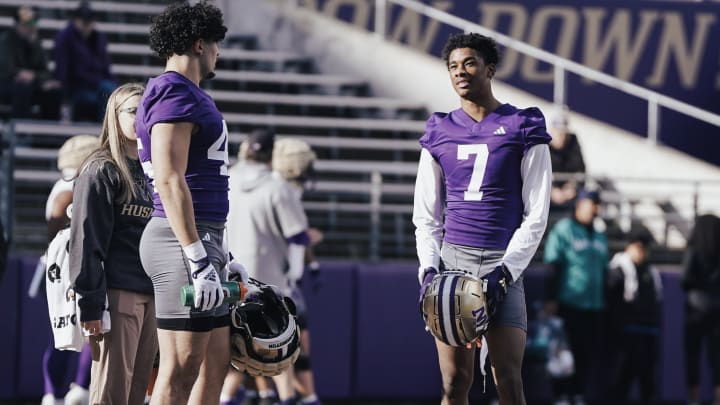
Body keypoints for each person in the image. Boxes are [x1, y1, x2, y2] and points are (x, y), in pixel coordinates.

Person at [413, 33, 552, 405]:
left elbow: (536, 214)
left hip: (501, 259)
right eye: (453, 66)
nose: (460, 72)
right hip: (452, 263)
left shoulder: (524, 124)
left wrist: (505, 272)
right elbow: (426, 216)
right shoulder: (440, 128)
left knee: (508, 379)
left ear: (490, 69)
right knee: (454, 383)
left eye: (470, 63)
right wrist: (428, 270)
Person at [135, 2, 233, 404]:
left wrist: (222, 250)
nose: (217, 53)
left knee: (216, 362)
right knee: (180, 368)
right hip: (181, 240)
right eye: (214, 45)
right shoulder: (173, 90)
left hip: (203, 235)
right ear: (198, 45)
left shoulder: (185, 92)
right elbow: (170, 178)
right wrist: (196, 255)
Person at [69, 83, 157, 404]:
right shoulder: (100, 169)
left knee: (137, 393)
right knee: (111, 391)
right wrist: (91, 304)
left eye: (146, 110)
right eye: (133, 110)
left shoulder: (155, 169)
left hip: (155, 292)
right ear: (114, 116)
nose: (140, 117)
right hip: (118, 292)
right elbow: (86, 241)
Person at [225, 131, 315, 405]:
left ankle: (237, 398)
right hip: (269, 281)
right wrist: (296, 275)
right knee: (279, 350)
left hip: (228, 275)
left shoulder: (227, 177)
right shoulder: (277, 188)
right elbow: (298, 236)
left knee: (233, 351)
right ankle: (294, 399)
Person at [39, 134, 98, 405]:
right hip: (69, 269)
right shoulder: (73, 186)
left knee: (69, 332)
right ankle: (71, 390)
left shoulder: (63, 184)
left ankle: (58, 393)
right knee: (77, 331)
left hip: (61, 268)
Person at [543, 189, 609, 405]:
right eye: (591, 203)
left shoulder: (599, 234)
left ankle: (577, 393)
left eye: (596, 204)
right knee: (563, 352)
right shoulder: (564, 230)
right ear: (579, 205)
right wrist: (551, 298)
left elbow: (604, 270)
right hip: (568, 302)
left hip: (593, 305)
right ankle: (561, 395)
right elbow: (553, 264)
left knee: (585, 353)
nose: (594, 209)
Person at [606, 232, 662, 404]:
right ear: (628, 247)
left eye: (645, 248)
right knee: (622, 376)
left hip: (648, 332)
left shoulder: (651, 272)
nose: (642, 252)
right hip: (625, 335)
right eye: (638, 247)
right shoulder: (618, 271)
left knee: (648, 379)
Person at [54, 0, 116, 122]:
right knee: (106, 90)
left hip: (97, 85)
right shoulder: (65, 37)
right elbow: (66, 70)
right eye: (84, 21)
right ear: (76, 20)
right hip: (78, 87)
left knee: (111, 90)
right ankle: (106, 129)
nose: (87, 25)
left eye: (89, 22)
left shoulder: (98, 38)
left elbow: (105, 66)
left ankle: (108, 128)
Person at [681, 214, 720, 405]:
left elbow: (685, 279)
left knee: (693, 356)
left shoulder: (694, 249)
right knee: (717, 359)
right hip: (717, 312)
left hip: (695, 310)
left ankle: (693, 400)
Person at [0, 6, 61, 119]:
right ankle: (21, 130)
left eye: (32, 24)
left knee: (53, 91)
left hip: (32, 85)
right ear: (17, 25)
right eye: (27, 24)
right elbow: (5, 69)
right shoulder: (5, 41)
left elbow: (45, 72)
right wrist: (19, 74)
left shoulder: (36, 43)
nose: (31, 27)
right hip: (7, 85)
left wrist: (35, 77)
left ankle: (48, 132)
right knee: (22, 87)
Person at [547, 105, 585, 212]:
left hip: (569, 195)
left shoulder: (572, 142)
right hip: (546, 194)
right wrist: (551, 191)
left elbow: (580, 169)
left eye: (564, 134)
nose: (562, 138)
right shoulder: (542, 144)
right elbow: (535, 173)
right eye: (558, 133)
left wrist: (572, 186)